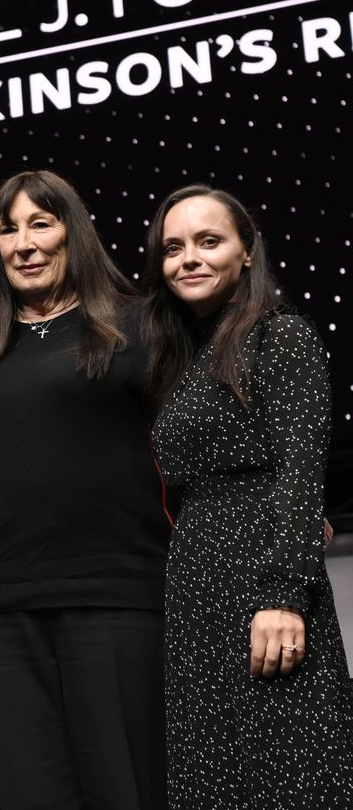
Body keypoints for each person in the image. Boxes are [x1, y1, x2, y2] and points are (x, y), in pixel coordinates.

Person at [0, 170, 170, 809]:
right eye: (7, 230)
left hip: (115, 595)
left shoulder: (139, 329)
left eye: (41, 223)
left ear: (74, 233)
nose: (24, 244)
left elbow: (199, 446)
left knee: (125, 788)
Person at [142, 184, 353, 807]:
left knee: (289, 769)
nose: (190, 259)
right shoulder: (178, 356)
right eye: (174, 247)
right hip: (195, 589)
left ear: (246, 252)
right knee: (213, 776)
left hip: (263, 585)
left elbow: (299, 470)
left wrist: (284, 596)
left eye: (210, 242)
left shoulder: (280, 337)